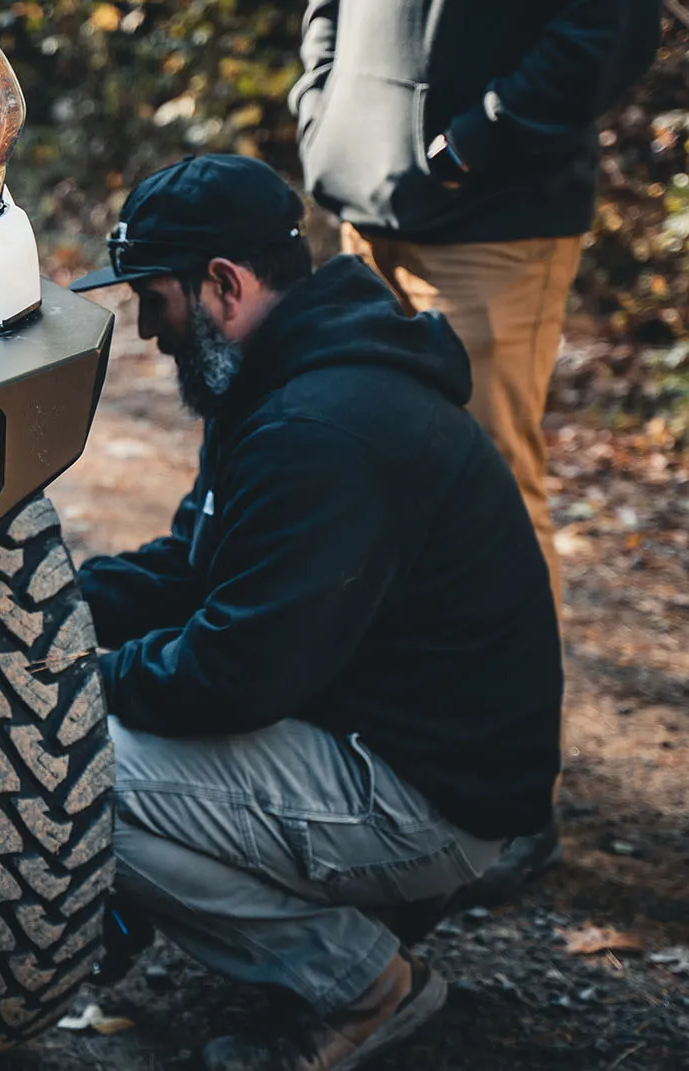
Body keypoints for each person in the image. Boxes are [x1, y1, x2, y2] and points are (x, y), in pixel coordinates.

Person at [69, 154, 562, 1071]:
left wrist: (68, 685)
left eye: (153, 297)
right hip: (380, 734)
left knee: (73, 766)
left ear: (223, 284)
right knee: (88, 722)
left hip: (433, 796)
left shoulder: (323, 427)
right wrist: (53, 613)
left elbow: (234, 674)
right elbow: (192, 565)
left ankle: (364, 987)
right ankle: (323, 919)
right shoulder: (273, 382)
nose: (146, 328)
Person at [290, 0, 662, 900]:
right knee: (363, 471)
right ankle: (384, 746)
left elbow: (606, 30)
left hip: (496, 217)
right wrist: (321, 111)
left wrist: (474, 142)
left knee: (491, 488)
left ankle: (508, 793)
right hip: (364, 198)